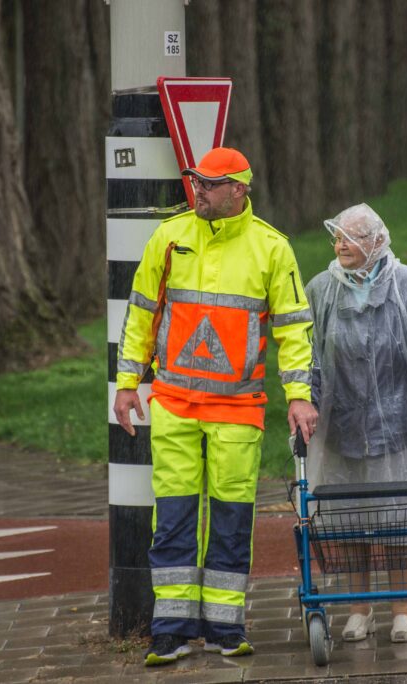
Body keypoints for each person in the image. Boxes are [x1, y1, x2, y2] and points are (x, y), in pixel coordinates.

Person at [113, 147, 318, 666]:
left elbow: (294, 329)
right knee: (174, 518)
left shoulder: (272, 249)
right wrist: (127, 382)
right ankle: (172, 630)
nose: (197, 190)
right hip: (176, 404)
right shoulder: (169, 237)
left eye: (208, 183)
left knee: (230, 520)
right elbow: (141, 314)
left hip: (236, 410)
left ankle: (226, 629)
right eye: (195, 181)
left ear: (238, 190)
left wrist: (299, 397)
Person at [304, 203, 407, 644]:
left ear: (376, 242)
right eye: (337, 236)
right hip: (342, 427)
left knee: (400, 520)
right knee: (352, 521)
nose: (340, 244)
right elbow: (310, 359)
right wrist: (307, 403)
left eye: (351, 237)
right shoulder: (322, 290)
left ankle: (401, 607)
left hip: (400, 425)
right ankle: (359, 610)